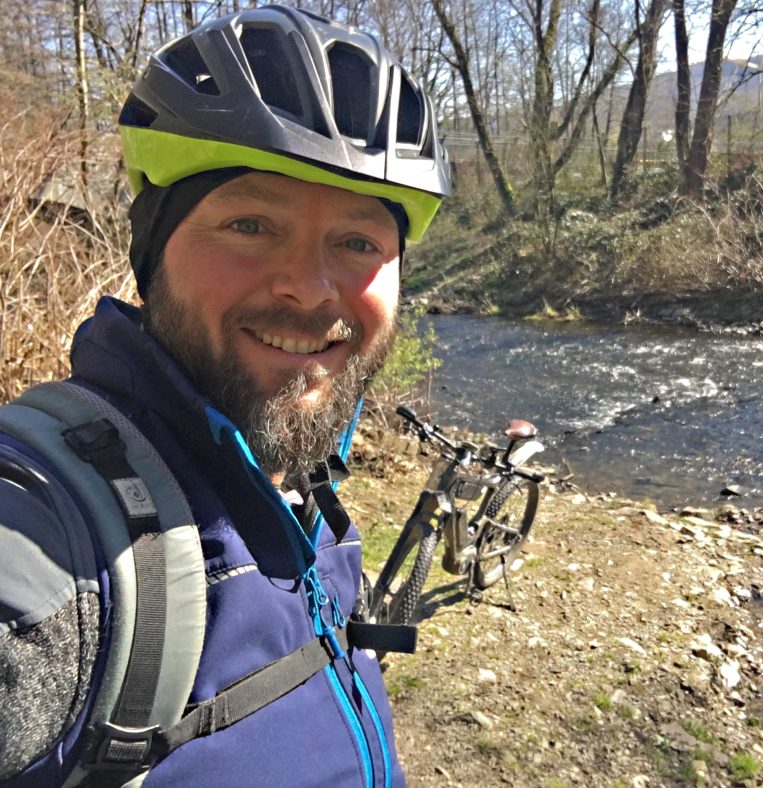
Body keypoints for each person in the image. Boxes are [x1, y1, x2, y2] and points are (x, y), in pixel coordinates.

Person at [0, 5, 450, 786]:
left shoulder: (303, 492)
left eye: (358, 242)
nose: (310, 288)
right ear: (153, 254)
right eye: (250, 224)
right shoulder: (53, 540)